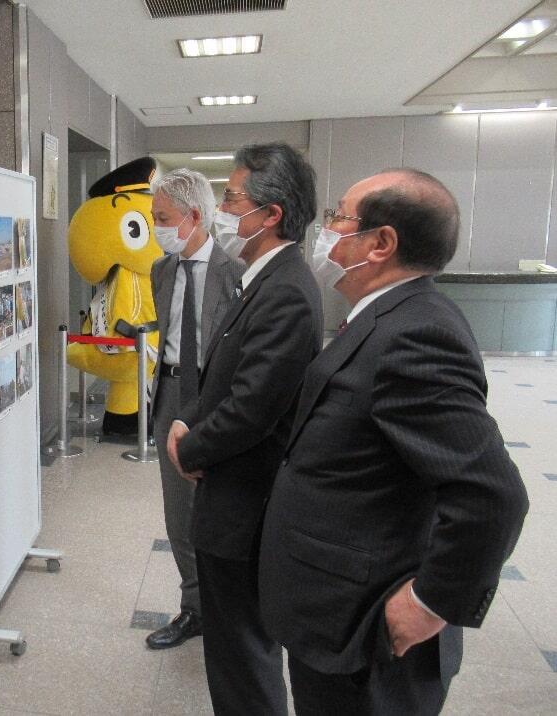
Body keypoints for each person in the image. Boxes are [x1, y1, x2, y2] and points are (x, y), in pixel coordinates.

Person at [258, 168, 529, 715]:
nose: (328, 228)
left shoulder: (416, 334)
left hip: (366, 632)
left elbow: (492, 495)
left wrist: (431, 603)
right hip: (332, 608)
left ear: (381, 243)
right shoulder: (385, 315)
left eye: (340, 217)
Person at [165, 143, 323, 713]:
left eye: (231, 197)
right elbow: (223, 372)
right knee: (232, 652)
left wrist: (192, 444)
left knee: (243, 653)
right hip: (231, 492)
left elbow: (254, 405)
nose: (224, 209)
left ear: (271, 213)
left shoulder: (286, 291)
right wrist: (188, 415)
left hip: (245, 502)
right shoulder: (264, 278)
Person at [144, 168, 243, 650]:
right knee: (178, 513)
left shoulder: (237, 271)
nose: (155, 225)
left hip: (221, 401)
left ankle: (230, 611)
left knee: (223, 506)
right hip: (170, 396)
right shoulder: (161, 270)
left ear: (195, 217)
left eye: (162, 217)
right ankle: (194, 608)